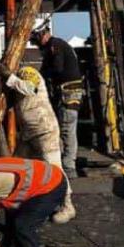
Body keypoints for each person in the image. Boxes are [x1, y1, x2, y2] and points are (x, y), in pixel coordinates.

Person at [0, 64, 76, 223]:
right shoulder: (17, 79)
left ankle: (68, 206)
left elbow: (29, 88)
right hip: (28, 133)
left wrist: (9, 77)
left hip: (44, 129)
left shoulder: (27, 72)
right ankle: (21, 202)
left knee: (54, 167)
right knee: (17, 165)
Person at [30, 26, 83, 179]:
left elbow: (56, 69)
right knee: (64, 128)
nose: (37, 45)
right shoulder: (57, 45)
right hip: (68, 93)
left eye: (37, 40)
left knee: (67, 129)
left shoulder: (55, 46)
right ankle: (64, 164)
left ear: (43, 35)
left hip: (68, 93)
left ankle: (69, 166)